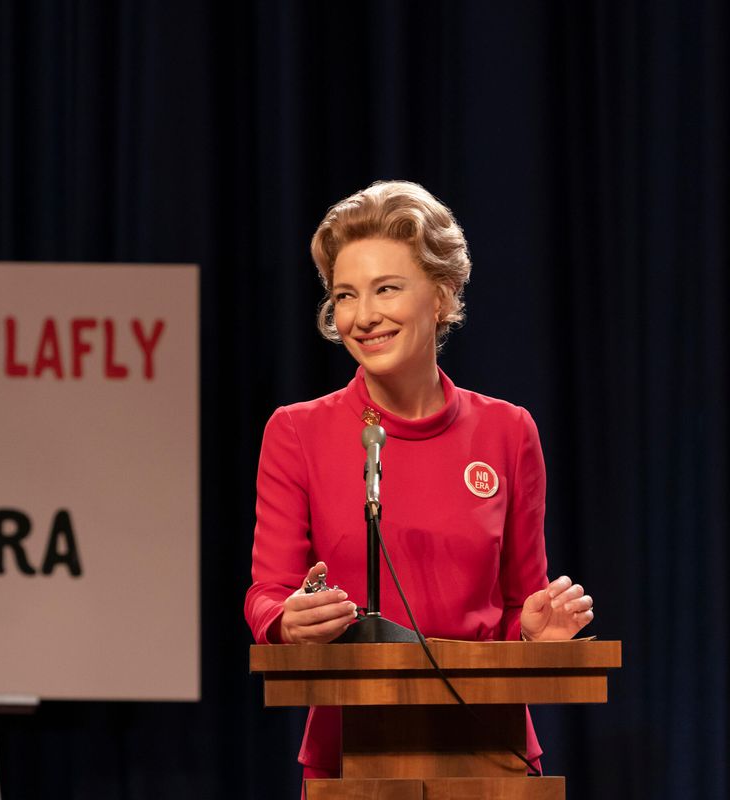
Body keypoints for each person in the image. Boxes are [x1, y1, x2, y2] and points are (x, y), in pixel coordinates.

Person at [243, 180, 595, 784]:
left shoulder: (508, 432)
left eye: (386, 289)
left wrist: (538, 632)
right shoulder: (296, 432)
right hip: (350, 759)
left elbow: (516, 610)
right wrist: (285, 621)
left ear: (440, 296)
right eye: (345, 295)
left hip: (492, 754)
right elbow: (267, 595)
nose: (363, 316)